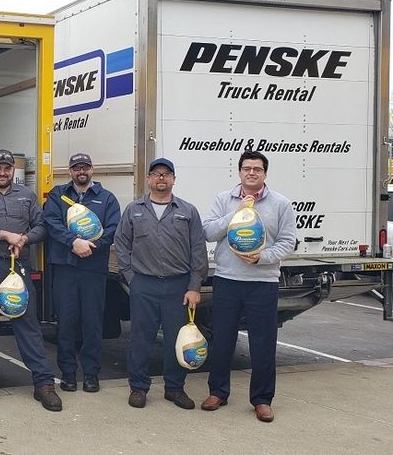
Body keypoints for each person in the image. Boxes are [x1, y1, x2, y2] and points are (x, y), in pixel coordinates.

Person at [0, 149, 61, 412]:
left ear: (13, 170)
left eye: (7, 168)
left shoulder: (26, 195)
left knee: (27, 319)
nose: (2, 172)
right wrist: (5, 235)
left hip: (18, 266)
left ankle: (44, 383)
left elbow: (41, 226)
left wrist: (25, 239)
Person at [201, 150, 297, 422]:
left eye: (257, 169)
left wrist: (262, 258)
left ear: (265, 173)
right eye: (247, 168)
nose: (251, 172)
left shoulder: (281, 204)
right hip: (227, 280)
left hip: (262, 282)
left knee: (263, 343)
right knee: (221, 340)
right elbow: (208, 232)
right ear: (239, 172)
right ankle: (218, 392)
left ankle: (262, 400)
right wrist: (236, 212)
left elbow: (288, 241)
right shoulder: (224, 199)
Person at [114, 158, 208, 410]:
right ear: (148, 179)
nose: (161, 178)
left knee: (177, 339)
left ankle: (175, 388)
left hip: (178, 286)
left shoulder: (187, 211)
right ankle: (138, 388)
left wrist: (194, 286)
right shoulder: (134, 209)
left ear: (174, 179)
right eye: (156, 174)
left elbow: (198, 249)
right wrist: (131, 277)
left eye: (166, 174)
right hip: (143, 284)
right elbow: (121, 243)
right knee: (140, 338)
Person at [42, 153, 120, 393]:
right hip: (65, 268)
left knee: (92, 323)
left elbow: (113, 228)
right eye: (76, 168)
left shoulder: (107, 198)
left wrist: (91, 245)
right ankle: (67, 373)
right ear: (70, 171)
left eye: (85, 167)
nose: (81, 171)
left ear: (92, 169)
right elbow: (51, 222)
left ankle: (91, 374)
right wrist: (73, 242)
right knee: (66, 322)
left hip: (93, 269)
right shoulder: (58, 195)